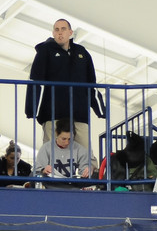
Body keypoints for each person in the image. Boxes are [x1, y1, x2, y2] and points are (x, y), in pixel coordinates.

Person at [25, 19, 104, 166]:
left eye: (63, 29)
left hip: (79, 112)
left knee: (85, 150)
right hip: (52, 112)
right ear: (53, 33)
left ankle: (91, 177)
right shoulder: (45, 51)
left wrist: (100, 109)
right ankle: (49, 176)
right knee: (50, 150)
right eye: (56, 30)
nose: (60, 32)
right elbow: (35, 80)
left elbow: (91, 83)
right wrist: (32, 109)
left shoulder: (81, 52)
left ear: (70, 32)